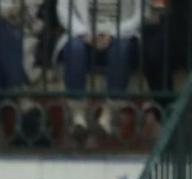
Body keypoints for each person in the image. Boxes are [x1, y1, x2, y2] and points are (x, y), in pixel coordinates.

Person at [59, 0, 144, 144]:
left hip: (122, 35)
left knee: (121, 49)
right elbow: (63, 9)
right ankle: (77, 115)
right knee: (75, 49)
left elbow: (138, 16)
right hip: (85, 35)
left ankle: (109, 113)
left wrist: (112, 34)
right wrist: (84, 33)